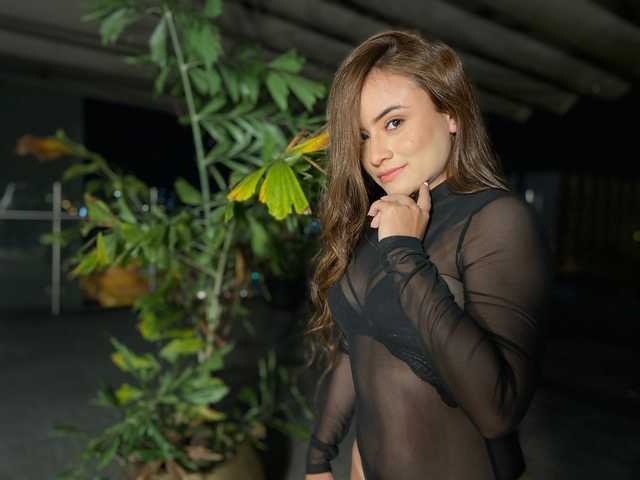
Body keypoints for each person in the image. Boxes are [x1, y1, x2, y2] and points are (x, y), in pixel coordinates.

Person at [303, 29, 551, 480]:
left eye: (393, 122)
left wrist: (403, 252)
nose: (375, 154)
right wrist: (319, 457)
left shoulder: (496, 219)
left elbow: (498, 409)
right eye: (362, 135)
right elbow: (356, 349)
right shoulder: (382, 220)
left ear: (450, 113)